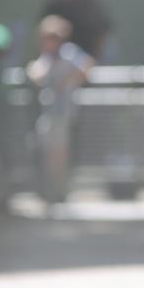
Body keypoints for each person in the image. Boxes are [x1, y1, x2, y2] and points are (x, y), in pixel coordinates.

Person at [26, 15, 94, 203]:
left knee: (60, 152)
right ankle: (48, 189)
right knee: (46, 151)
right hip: (46, 113)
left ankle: (60, 190)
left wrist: (68, 81)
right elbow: (35, 74)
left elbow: (87, 65)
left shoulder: (69, 53)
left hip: (63, 112)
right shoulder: (45, 58)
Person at [40, 0, 112, 60]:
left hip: (86, 60)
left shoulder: (92, 5)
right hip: (58, 61)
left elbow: (104, 31)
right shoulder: (55, 6)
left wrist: (96, 57)